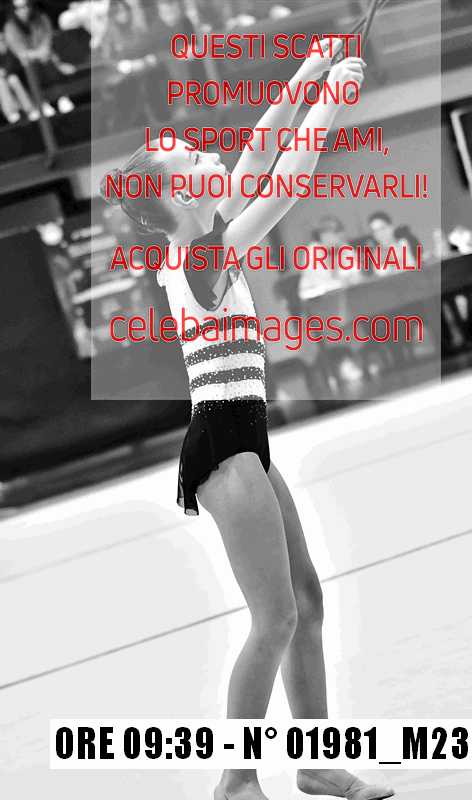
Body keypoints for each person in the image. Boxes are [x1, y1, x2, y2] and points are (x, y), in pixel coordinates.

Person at [100, 40, 394, 800]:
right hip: (225, 443)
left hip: (246, 440)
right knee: (274, 619)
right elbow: (286, 180)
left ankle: (317, 761)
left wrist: (305, 75)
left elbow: (262, 149)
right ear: (178, 194)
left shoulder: (201, 237)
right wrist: (333, 101)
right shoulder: (200, 256)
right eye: (194, 157)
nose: (210, 156)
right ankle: (235, 779)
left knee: (306, 601)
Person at [4, 0, 76, 116]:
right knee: (31, 66)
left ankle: (61, 98)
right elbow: (20, 52)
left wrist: (39, 54)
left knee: (46, 61)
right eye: (19, 8)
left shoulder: (42, 19)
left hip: (46, 59)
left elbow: (47, 43)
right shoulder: (10, 27)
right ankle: (42, 102)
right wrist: (37, 54)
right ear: (14, 10)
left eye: (25, 6)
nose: (23, 10)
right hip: (24, 66)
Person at [0, 30, 39, 122]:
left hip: (16, 77)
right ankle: (11, 112)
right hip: (3, 81)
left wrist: (5, 72)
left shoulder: (11, 50)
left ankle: (30, 109)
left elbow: (15, 65)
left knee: (13, 79)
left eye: (2, 40)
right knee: (1, 83)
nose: (1, 43)